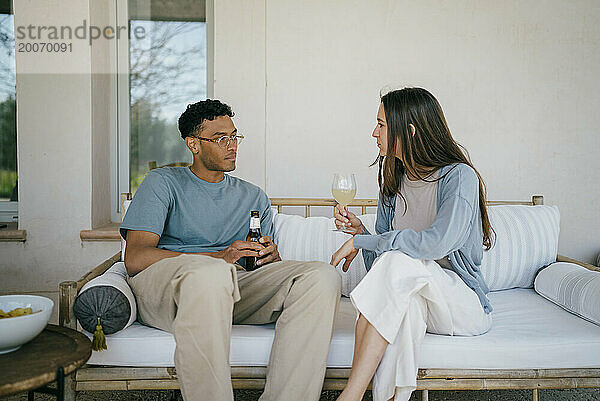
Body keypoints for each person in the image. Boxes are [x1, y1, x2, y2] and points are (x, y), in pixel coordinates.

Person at [121, 99, 341, 401]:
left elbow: (255, 264)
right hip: (173, 288)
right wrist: (218, 258)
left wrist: (270, 259)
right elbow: (135, 258)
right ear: (193, 144)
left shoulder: (253, 196)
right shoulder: (162, 183)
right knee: (211, 275)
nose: (232, 145)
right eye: (220, 138)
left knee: (322, 276)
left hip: (232, 286)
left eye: (234, 136)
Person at [330, 88, 494, 401]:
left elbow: (434, 245)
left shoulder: (459, 178)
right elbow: (382, 273)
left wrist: (367, 241)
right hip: (417, 296)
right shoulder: (393, 179)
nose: (373, 132)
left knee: (401, 263)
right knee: (404, 305)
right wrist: (363, 234)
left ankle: (350, 395)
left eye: (381, 124)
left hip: (462, 306)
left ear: (409, 131)